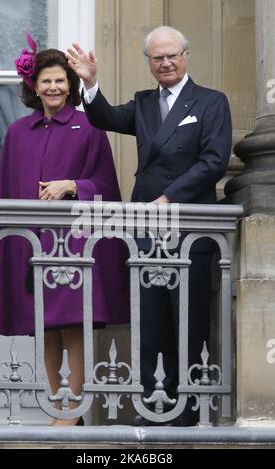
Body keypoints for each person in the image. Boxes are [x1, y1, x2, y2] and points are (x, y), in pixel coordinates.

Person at [66, 26, 232, 426]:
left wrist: (170, 197)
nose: (166, 63)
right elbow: (104, 117)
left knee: (186, 320)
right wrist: (90, 84)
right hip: (145, 227)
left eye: (172, 55)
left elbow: (214, 162)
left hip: (188, 225)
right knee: (150, 320)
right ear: (149, 63)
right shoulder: (142, 103)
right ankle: (154, 405)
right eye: (157, 58)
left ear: (186, 55)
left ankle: (188, 411)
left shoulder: (210, 102)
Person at [0, 35, 129, 426]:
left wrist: (73, 185)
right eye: (46, 81)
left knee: (73, 324)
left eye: (61, 80)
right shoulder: (17, 132)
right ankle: (57, 407)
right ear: (33, 86)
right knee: (43, 328)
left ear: (70, 85)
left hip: (74, 244)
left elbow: (107, 186)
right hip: (30, 244)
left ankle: (74, 409)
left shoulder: (89, 125)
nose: (54, 87)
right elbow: (5, 191)